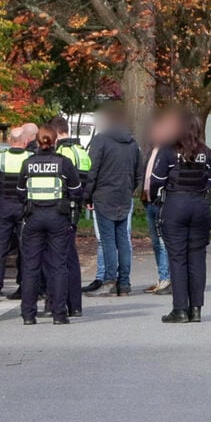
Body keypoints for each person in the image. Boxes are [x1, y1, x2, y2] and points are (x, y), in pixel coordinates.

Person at [151, 110, 211, 323]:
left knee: (177, 258)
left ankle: (180, 310)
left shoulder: (168, 151)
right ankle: (196, 309)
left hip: (175, 206)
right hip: (200, 206)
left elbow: (156, 180)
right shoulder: (206, 152)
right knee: (198, 258)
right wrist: (199, 183)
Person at [17, 126, 82, 325]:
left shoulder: (28, 163)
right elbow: (77, 191)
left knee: (30, 267)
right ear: (55, 141)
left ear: (37, 141)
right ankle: (59, 314)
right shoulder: (64, 163)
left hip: (33, 217)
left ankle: (28, 315)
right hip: (58, 218)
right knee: (58, 266)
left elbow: (20, 192)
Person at [84, 103, 141, 297]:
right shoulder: (132, 143)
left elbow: (92, 171)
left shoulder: (100, 141)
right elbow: (139, 173)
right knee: (123, 239)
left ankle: (109, 281)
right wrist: (128, 189)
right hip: (124, 196)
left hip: (104, 196)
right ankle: (124, 283)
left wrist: (87, 195)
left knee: (108, 240)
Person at [0, 127, 31, 302]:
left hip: (3, 207)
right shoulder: (30, 158)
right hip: (24, 208)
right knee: (26, 249)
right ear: (26, 141)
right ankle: (26, 288)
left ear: (10, 141)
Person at [50, 116, 91, 316]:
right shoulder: (81, 152)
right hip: (76, 209)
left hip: (60, 209)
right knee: (71, 257)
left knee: (59, 259)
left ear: (56, 133)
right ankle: (75, 305)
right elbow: (88, 180)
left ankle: (58, 303)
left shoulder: (62, 153)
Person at [141, 112, 174, 295]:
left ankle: (167, 279)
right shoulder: (152, 150)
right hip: (149, 201)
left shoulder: (168, 152)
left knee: (163, 242)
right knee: (155, 242)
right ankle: (162, 277)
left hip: (161, 201)